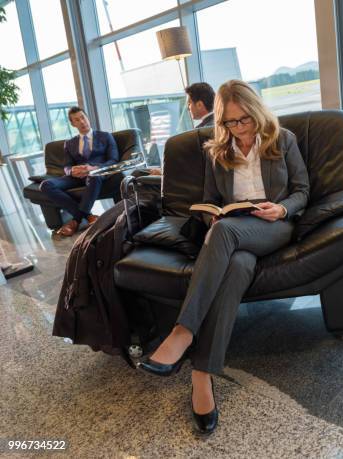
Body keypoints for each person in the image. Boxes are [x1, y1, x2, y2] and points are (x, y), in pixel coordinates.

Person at [137, 80, 309, 435]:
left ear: (256, 111)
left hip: (274, 227)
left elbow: (302, 191)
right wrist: (212, 216)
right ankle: (202, 375)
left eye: (243, 120)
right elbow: (207, 201)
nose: (238, 128)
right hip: (233, 234)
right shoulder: (217, 151)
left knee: (224, 233)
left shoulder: (283, 139)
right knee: (237, 265)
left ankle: (183, 333)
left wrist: (281, 208)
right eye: (229, 122)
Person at [40, 107, 118, 237]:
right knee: (46, 185)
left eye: (83, 117)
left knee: (94, 176)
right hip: (77, 177)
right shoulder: (69, 143)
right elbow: (66, 166)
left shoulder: (105, 136)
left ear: (87, 118)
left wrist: (93, 168)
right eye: (77, 120)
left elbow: (114, 160)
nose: (82, 121)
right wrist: (72, 170)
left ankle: (75, 221)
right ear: (73, 124)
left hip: (97, 173)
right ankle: (88, 216)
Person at [147, 82, 216, 176]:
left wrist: (164, 173)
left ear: (199, 105)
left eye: (189, 103)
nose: (188, 108)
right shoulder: (220, 124)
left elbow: (192, 166)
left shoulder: (200, 133)